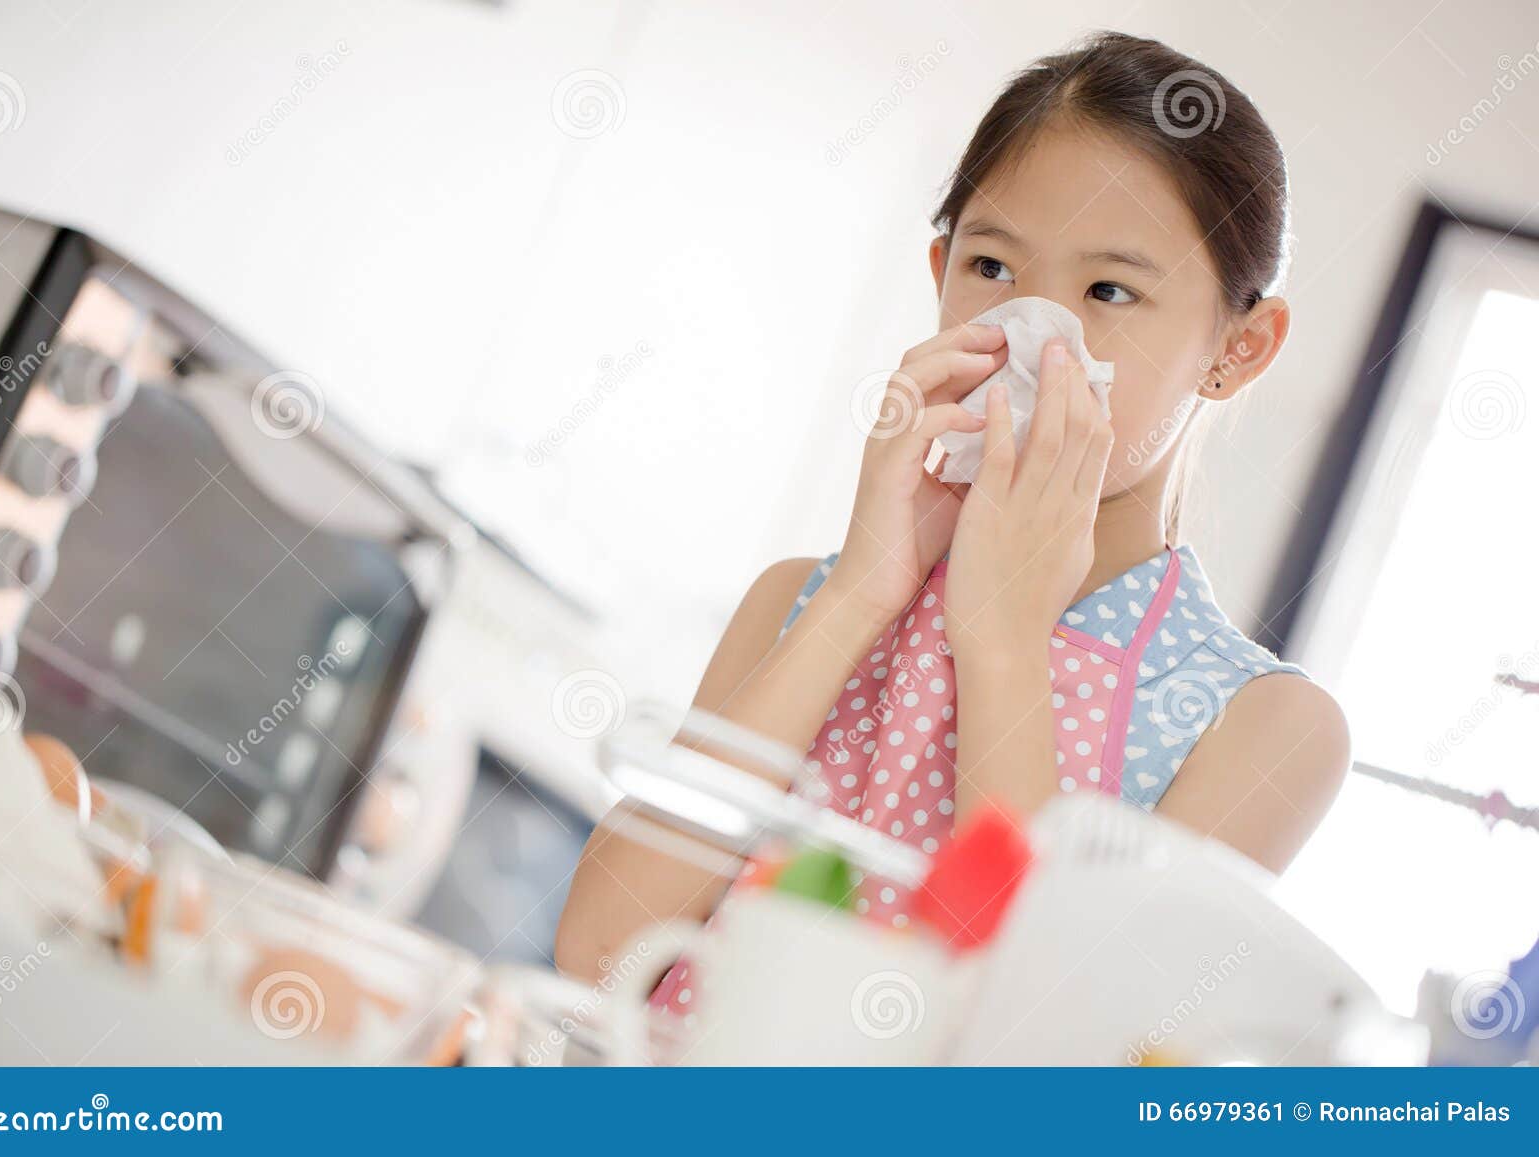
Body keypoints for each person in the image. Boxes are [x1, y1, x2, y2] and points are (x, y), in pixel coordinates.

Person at [556, 30, 1349, 998]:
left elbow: (1030, 1050)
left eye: (1109, 290)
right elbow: (595, 951)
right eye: (991, 269)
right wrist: (858, 592)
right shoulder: (794, 600)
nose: (1032, 333)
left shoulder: (1267, 727)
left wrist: (1004, 636)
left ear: (1239, 347)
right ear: (939, 272)